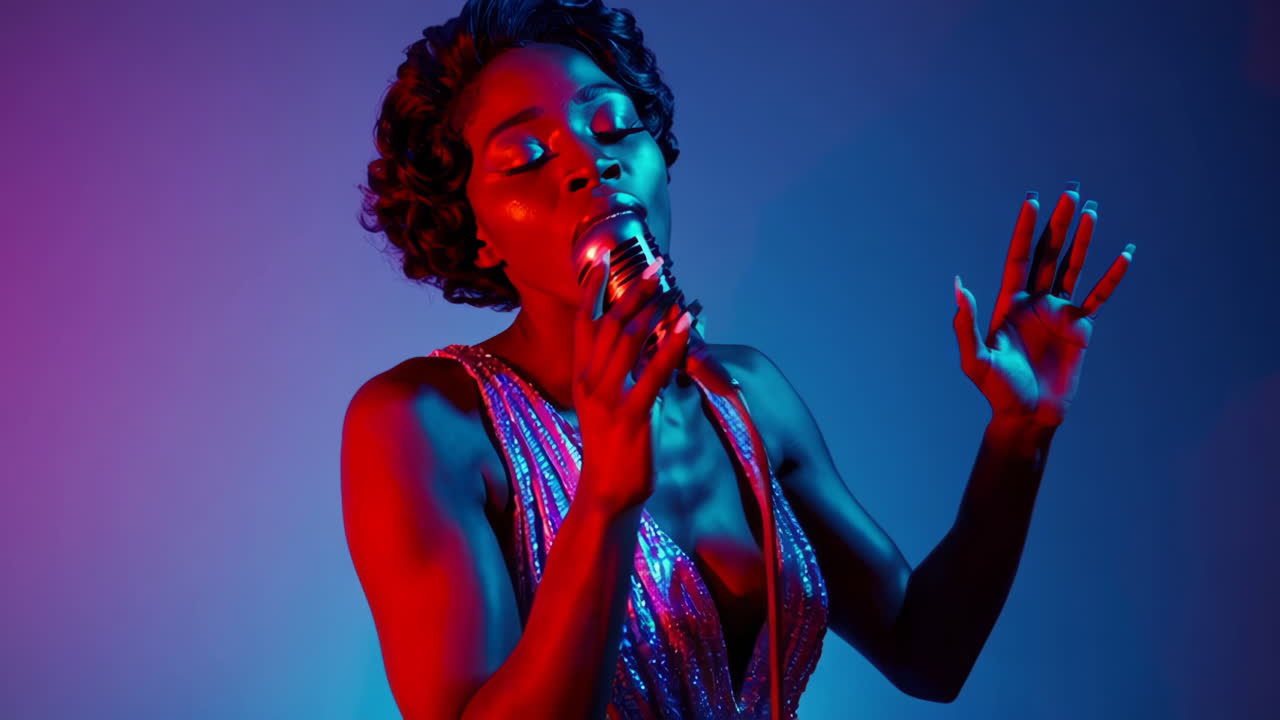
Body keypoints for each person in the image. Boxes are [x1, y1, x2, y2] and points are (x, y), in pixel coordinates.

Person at [341, 2, 1137, 719]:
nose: (592, 161)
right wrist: (607, 498)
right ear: (473, 224)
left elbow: (928, 655)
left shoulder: (747, 395)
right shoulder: (425, 424)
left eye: (614, 125)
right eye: (526, 158)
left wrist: (1020, 434)